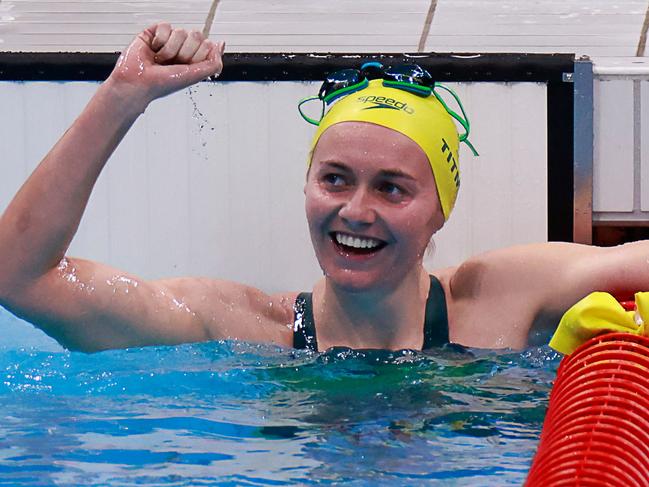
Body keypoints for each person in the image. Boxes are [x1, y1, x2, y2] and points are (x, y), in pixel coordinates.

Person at [0, 23, 645, 354]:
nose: (355, 211)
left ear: (440, 211)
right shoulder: (243, 328)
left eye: (393, 189)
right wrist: (123, 94)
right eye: (335, 179)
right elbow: (21, 278)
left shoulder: (500, 300)